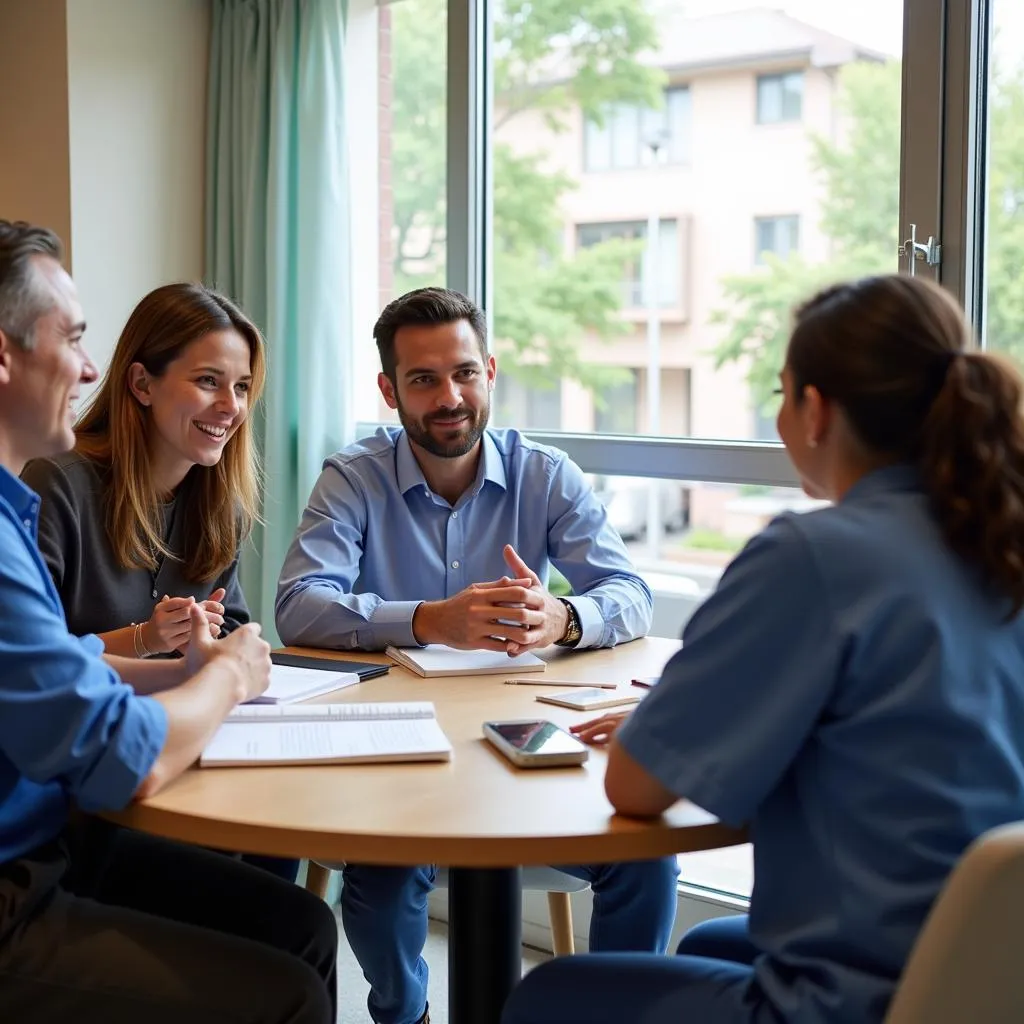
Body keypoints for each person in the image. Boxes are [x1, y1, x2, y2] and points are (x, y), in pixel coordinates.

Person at [501, 273, 1024, 1024]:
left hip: (868, 998)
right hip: (991, 968)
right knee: (713, 942)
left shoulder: (813, 555)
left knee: (548, 996)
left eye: (781, 394)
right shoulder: (999, 540)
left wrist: (665, 732)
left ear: (816, 410)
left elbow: (635, 790)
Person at [275, 287, 677, 1024]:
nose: (449, 396)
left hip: (526, 736)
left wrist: (563, 616)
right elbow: (298, 603)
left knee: (645, 859)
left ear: (490, 371)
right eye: (422, 379)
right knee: (380, 887)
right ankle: (407, 1015)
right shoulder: (353, 478)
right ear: (388, 389)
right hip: (399, 748)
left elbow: (630, 592)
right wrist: (431, 619)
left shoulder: (545, 473)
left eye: (464, 372)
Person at [0, 219, 337, 1023]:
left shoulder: (23, 509)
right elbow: (116, 749)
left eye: (243, 387)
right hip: (37, 856)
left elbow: (55, 672)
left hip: (57, 835)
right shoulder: (46, 494)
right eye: (74, 339)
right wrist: (215, 673)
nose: (89, 368)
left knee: (304, 926)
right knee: (284, 990)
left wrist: (193, 667)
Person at [20, 281, 298, 882]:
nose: (232, 406)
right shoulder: (57, 485)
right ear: (142, 384)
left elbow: (239, 642)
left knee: (278, 847)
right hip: (86, 783)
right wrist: (146, 638)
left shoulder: (219, 503)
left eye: (242, 386)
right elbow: (34, 668)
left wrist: (222, 650)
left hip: (188, 755)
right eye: (208, 381)